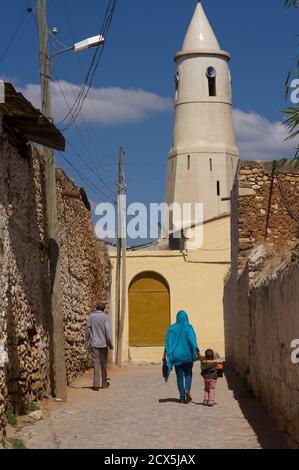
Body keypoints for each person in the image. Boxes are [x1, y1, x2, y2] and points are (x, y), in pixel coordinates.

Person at [163, 310, 199, 404]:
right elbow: (193, 340)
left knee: (179, 376)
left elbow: (168, 343)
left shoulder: (171, 329)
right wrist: (196, 350)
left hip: (176, 356)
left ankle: (182, 397)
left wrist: (165, 355)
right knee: (188, 374)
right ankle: (187, 389)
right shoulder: (189, 327)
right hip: (187, 356)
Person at [86, 303, 113, 391]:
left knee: (96, 364)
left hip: (94, 344)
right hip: (103, 344)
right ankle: (104, 383)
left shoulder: (91, 317)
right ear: (103, 309)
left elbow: (88, 330)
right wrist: (109, 343)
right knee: (103, 364)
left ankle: (96, 384)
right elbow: (108, 331)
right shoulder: (106, 317)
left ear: (96, 308)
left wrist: (87, 342)